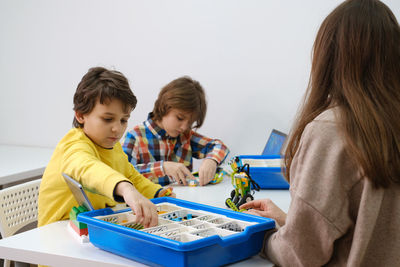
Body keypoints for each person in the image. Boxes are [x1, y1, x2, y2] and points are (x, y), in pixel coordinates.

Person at [240, 0, 400, 266]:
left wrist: (265, 237)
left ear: (329, 57)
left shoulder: (332, 130)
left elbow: (301, 255)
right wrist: (291, 221)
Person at [38, 67, 175, 229]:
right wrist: (126, 188)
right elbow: (88, 168)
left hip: (96, 228)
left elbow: (132, 177)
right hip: (58, 235)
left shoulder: (112, 145)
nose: (117, 129)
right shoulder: (73, 145)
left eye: (123, 120)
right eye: (107, 119)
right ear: (81, 115)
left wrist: (158, 193)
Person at [122, 76, 229, 186]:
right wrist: (162, 167)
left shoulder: (185, 135)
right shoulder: (135, 136)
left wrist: (211, 161)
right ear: (164, 106)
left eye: (190, 123)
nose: (184, 127)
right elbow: (122, 174)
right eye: (180, 118)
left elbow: (219, 146)